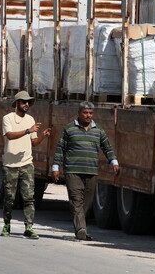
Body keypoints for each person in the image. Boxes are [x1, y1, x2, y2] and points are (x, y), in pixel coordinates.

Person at [52, 101, 119, 241]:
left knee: (86, 204)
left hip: (91, 171)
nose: (88, 116)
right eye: (85, 113)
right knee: (76, 200)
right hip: (73, 171)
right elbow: (60, 149)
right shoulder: (69, 129)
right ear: (79, 112)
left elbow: (107, 147)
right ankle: (81, 229)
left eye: (90, 113)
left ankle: (81, 227)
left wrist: (113, 161)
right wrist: (55, 167)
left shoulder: (98, 130)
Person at [1, 91, 51, 239]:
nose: (26, 104)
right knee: (9, 198)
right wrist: (28, 130)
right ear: (16, 103)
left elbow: (33, 142)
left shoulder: (30, 119)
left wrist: (42, 136)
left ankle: (29, 227)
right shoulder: (8, 118)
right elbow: (10, 136)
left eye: (28, 102)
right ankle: (7, 225)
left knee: (29, 197)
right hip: (10, 164)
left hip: (27, 164)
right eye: (23, 102)